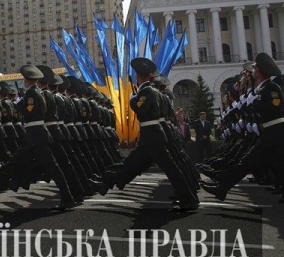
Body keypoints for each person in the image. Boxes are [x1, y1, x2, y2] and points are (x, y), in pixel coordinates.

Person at [102, 57, 200, 211]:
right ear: (151, 76)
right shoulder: (151, 91)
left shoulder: (147, 91)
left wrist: (132, 100)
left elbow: (141, 109)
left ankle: (189, 199)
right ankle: (109, 182)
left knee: (170, 168)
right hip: (153, 135)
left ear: (137, 75)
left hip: (153, 136)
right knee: (134, 163)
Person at [0, 65, 77, 210]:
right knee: (19, 161)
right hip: (36, 134)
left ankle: (67, 197)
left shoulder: (32, 94)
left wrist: (21, 105)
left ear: (27, 80)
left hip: (35, 134)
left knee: (49, 166)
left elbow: (29, 114)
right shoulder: (37, 93)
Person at [202, 53, 284, 202]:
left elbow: (274, 109)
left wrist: (256, 113)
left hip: (274, 132)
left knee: (247, 161)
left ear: (259, 72)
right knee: (275, 162)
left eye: (254, 68)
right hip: (268, 132)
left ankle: (222, 187)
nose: (253, 71)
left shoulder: (272, 88)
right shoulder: (260, 89)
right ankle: (222, 186)